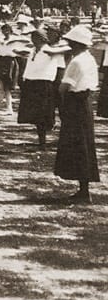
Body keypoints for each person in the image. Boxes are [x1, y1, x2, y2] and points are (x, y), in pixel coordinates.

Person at [55, 25, 99, 203]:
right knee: (85, 144)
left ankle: (83, 190)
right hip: (86, 102)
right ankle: (84, 188)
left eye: (71, 42)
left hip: (75, 103)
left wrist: (62, 105)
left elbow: (64, 87)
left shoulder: (76, 62)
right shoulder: (89, 59)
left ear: (77, 43)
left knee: (77, 144)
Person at [15, 28, 70, 149]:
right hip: (32, 83)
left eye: (35, 37)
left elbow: (67, 49)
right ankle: (42, 141)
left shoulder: (48, 50)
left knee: (43, 115)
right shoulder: (34, 50)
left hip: (43, 84)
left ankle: (43, 143)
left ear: (41, 39)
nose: (32, 40)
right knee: (35, 115)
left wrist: (54, 51)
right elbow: (22, 51)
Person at [0, 22, 23, 114]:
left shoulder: (14, 40)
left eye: (7, 30)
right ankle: (1, 96)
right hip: (1, 60)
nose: (5, 32)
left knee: (7, 86)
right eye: (4, 30)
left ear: (10, 31)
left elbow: (17, 51)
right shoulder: (0, 40)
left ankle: (9, 108)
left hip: (10, 62)